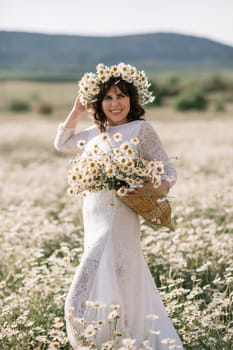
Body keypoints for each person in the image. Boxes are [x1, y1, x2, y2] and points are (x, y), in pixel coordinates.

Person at [54, 63, 183, 349]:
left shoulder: (140, 129)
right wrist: (76, 110)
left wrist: (154, 187)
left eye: (121, 96)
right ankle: (120, 340)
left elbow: (168, 172)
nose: (115, 103)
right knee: (117, 284)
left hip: (119, 219)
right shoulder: (92, 134)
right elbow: (62, 143)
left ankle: (93, 339)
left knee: (80, 294)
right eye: (108, 97)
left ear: (132, 99)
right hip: (93, 219)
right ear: (98, 102)